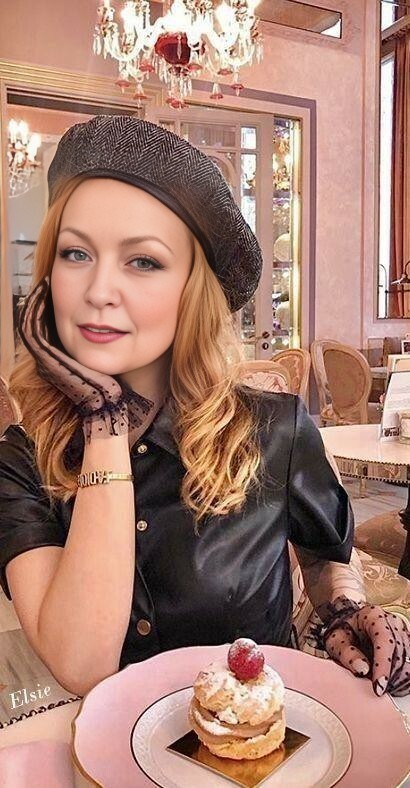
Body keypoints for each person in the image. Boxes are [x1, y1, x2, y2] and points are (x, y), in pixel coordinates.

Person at [0, 115, 408, 700]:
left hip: (266, 741)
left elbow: (324, 560)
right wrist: (105, 425)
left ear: (193, 291)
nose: (97, 291)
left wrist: (344, 612)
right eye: (75, 253)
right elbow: (82, 663)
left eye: (143, 261)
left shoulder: (275, 430)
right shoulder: (22, 461)